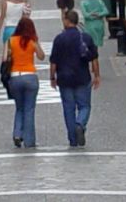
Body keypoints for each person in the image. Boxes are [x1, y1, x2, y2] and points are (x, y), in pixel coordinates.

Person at [50, 10, 100, 148]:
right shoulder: (86, 38)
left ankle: (72, 139)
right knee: (84, 106)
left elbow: (53, 61)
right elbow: (94, 58)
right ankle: (80, 123)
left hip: (65, 78)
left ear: (66, 21)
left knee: (68, 108)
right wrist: (97, 75)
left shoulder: (59, 39)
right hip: (82, 77)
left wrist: (52, 77)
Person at [3, 17, 46, 148]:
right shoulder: (32, 41)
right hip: (30, 76)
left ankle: (17, 133)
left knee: (19, 107)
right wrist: (36, 43)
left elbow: (4, 58)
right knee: (29, 109)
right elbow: (42, 56)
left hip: (15, 77)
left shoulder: (10, 41)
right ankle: (29, 141)